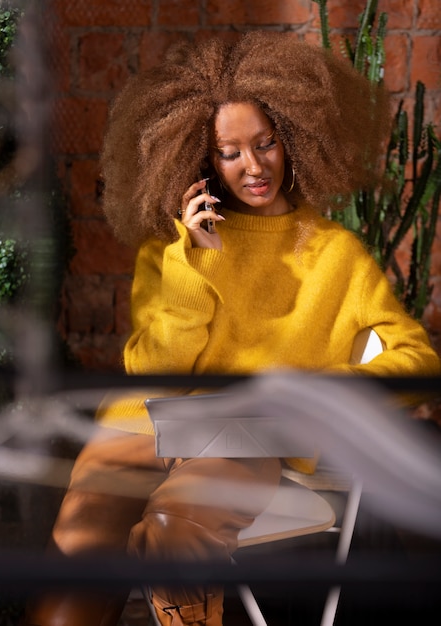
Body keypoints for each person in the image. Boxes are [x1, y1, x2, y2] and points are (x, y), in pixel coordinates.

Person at [27, 32, 441, 626]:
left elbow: (415, 357)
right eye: (230, 152)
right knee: (78, 550)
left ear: (292, 138)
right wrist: (193, 262)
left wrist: (323, 392)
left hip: (247, 437)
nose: (254, 167)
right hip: (146, 429)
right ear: (200, 159)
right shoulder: (169, 250)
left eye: (266, 143)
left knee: (177, 523)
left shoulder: (333, 254)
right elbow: (150, 371)